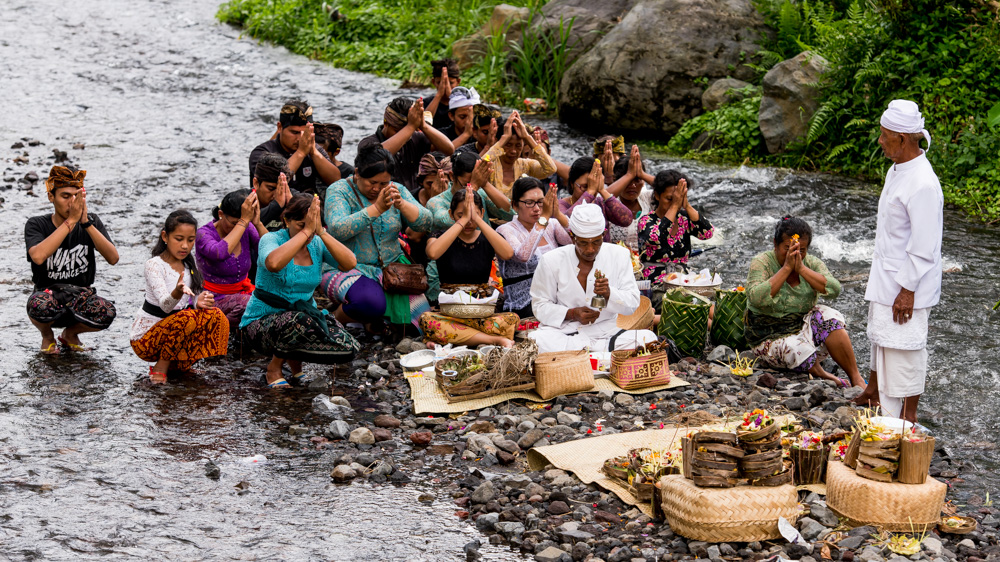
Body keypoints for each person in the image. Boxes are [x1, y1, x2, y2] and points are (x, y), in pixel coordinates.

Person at [855, 100, 943, 422]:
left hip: (908, 280)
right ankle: (875, 391)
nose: (880, 141)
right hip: (888, 272)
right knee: (881, 335)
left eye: (884, 135)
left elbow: (924, 246)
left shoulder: (922, 183)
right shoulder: (899, 169)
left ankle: (907, 416)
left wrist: (907, 290)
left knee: (905, 346)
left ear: (903, 139)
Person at [240, 195, 361, 388]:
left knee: (348, 345)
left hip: (302, 320)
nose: (308, 232)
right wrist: (305, 232)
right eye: (301, 224)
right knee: (298, 319)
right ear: (286, 221)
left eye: (311, 225)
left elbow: (349, 263)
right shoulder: (271, 239)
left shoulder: (316, 243)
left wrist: (320, 232)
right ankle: (274, 369)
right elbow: (273, 263)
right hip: (260, 323)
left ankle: (295, 367)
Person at [322, 139, 435, 333]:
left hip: (393, 271)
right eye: (372, 182)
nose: (377, 188)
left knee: (419, 324)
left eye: (383, 183)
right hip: (346, 268)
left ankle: (370, 319)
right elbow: (337, 229)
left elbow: (426, 222)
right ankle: (334, 320)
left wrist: (403, 205)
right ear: (357, 173)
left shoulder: (395, 189)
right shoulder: (339, 190)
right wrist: (376, 209)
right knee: (370, 303)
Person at [744, 217, 866, 389]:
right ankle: (823, 374)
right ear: (775, 244)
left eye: (801, 250)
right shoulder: (762, 262)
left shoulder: (811, 263)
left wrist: (801, 269)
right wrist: (786, 268)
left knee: (831, 316)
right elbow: (755, 297)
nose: (794, 254)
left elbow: (834, 289)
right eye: (788, 248)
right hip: (768, 340)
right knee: (794, 348)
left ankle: (856, 377)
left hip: (804, 332)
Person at [529, 202, 658, 354]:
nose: (590, 249)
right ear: (572, 237)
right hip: (565, 333)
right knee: (536, 340)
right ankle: (601, 358)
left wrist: (610, 293)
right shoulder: (551, 260)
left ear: (603, 235)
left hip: (606, 334)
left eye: (596, 242)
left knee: (647, 338)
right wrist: (572, 314)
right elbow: (540, 305)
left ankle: (580, 358)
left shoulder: (619, 255)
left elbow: (632, 304)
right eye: (583, 243)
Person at [25, 165, 119, 354]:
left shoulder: (90, 221)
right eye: (65, 196)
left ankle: (70, 334)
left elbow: (113, 258)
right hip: (48, 297)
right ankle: (47, 336)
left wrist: (85, 223)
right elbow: (38, 256)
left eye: (77, 196)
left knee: (107, 312)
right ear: (51, 197)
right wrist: (70, 222)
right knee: (37, 305)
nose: (72, 202)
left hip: (80, 298)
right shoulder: (37, 224)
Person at [131, 211, 229, 384]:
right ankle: (161, 366)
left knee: (215, 316)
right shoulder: (154, 265)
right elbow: (166, 306)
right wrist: (177, 292)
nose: (185, 246)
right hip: (147, 340)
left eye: (190, 240)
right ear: (165, 236)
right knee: (186, 318)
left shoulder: (189, 266)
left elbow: (192, 301)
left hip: (175, 331)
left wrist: (199, 302)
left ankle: (181, 364)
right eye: (179, 239)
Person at [419, 188, 519, 347]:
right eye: (460, 215)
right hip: (450, 312)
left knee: (511, 319)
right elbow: (432, 253)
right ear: (451, 214)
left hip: (481, 311)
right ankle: (493, 340)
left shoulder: (487, 237)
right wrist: (463, 220)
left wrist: (478, 220)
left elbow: (507, 253)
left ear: (481, 213)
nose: (468, 221)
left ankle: (451, 337)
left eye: (473, 215)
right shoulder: (440, 236)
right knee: (426, 320)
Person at [496, 178, 572, 318]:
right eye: (529, 203)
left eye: (541, 202)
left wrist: (558, 213)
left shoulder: (552, 224)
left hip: (557, 298)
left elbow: (575, 242)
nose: (537, 208)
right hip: (524, 303)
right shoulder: (505, 230)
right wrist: (543, 219)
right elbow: (523, 256)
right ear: (515, 205)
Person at [195, 189, 268, 324]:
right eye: (234, 223)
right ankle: (217, 330)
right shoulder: (203, 234)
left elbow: (269, 250)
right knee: (250, 304)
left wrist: (257, 223)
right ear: (221, 214)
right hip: (212, 299)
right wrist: (243, 221)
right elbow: (219, 253)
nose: (239, 228)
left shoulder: (246, 226)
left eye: (242, 224)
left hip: (243, 293)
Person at [363, 96, 456, 196]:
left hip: (413, 200)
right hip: (383, 199)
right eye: (398, 131)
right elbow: (376, 157)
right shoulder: (368, 143)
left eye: (410, 131)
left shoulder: (416, 138)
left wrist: (423, 126)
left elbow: (449, 149)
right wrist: (410, 127)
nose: (406, 136)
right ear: (385, 123)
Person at [249, 100, 341, 198]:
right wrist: (300, 153)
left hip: (305, 206)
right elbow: (275, 181)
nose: (300, 138)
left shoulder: (313, 149)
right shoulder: (262, 152)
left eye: (304, 133)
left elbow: (336, 182)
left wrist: (314, 153)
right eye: (295, 133)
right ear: (280, 127)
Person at [638, 170, 714, 285]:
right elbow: (656, 237)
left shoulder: (683, 218)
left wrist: (686, 205)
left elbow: (707, 233)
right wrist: (674, 206)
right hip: (655, 282)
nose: (676, 203)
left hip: (683, 279)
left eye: (678, 198)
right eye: (669, 199)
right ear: (657, 196)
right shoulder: (646, 221)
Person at [427, 151, 512, 231]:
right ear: (452, 176)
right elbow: (445, 222)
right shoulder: (436, 202)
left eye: (477, 183)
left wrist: (485, 183)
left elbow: (510, 214)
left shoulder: (481, 193)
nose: (472, 188)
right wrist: (473, 187)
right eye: (467, 184)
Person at [559, 157, 633, 242]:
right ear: (572, 184)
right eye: (585, 186)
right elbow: (566, 223)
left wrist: (602, 190)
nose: (591, 190)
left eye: (594, 185)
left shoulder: (600, 202)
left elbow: (627, 220)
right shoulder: (560, 205)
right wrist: (590, 192)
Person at [484, 110, 556, 197]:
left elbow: (551, 169)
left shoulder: (525, 165)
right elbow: (479, 166)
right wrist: (504, 138)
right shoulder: (491, 164)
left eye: (518, 146)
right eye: (508, 145)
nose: (513, 151)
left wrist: (527, 137)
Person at [607, 146, 656, 252]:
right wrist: (629, 174)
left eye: (637, 180)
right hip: (617, 264)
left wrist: (642, 174)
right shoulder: (610, 203)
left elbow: (673, 191)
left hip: (649, 265)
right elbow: (599, 199)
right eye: (628, 181)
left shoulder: (648, 198)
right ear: (617, 181)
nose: (633, 186)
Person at [253, 153, 297, 232]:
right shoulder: (241, 200)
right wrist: (276, 206)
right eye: (271, 188)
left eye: (281, 188)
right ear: (256, 183)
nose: (277, 195)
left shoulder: (292, 196)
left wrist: (293, 205)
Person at [425, 58, 461, 133]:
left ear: (458, 82)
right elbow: (424, 122)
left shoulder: (464, 103)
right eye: (440, 83)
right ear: (433, 82)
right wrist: (439, 95)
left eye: (450, 83)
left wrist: (451, 97)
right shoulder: (426, 103)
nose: (445, 86)